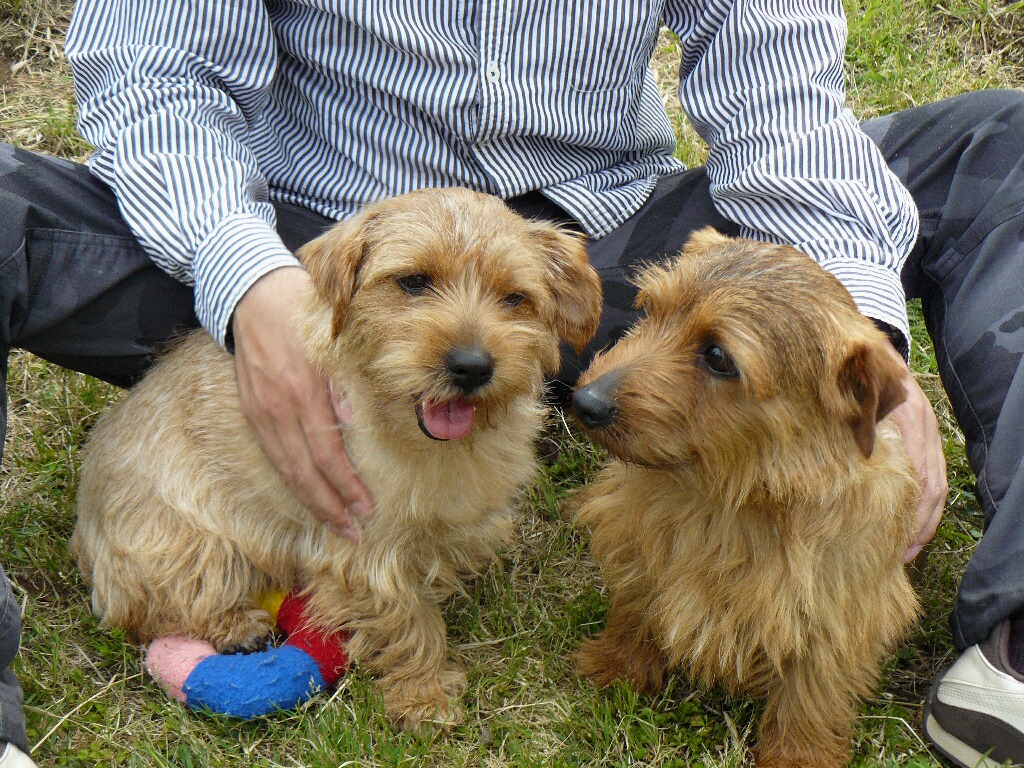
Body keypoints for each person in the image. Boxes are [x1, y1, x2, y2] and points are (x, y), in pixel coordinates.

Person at [0, 2, 1019, 765]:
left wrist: (855, 342)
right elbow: (151, 75)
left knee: (997, 140)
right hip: (301, 232)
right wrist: (247, 281)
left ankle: (1014, 640)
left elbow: (785, 101)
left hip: (599, 247)